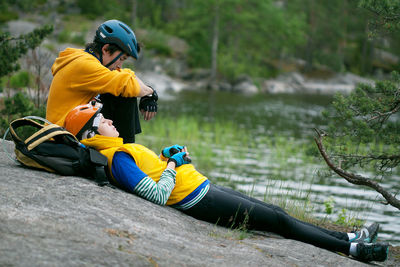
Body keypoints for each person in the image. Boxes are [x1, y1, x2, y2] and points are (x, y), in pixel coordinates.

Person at [64, 102, 389, 263]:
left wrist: (167, 157)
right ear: (91, 135)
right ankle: (354, 250)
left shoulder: (117, 151)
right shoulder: (116, 159)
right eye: (101, 120)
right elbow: (158, 194)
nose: (108, 120)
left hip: (201, 188)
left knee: (276, 212)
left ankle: (349, 235)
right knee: (277, 220)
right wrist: (175, 165)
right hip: (197, 200)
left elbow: (153, 175)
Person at [46, 19, 157, 143]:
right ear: (106, 49)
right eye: (121, 58)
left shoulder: (85, 59)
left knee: (121, 88)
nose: (120, 65)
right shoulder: (85, 66)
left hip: (70, 130)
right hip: (62, 138)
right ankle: (125, 152)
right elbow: (127, 83)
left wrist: (147, 93)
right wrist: (150, 92)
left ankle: (124, 150)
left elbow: (125, 74)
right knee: (123, 93)